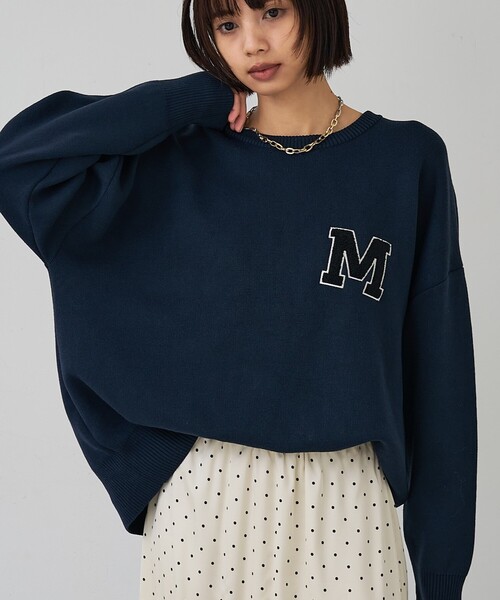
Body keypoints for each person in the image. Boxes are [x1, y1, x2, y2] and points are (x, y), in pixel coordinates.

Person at [0, 0, 477, 599]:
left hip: (349, 501)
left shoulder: (406, 161)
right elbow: (19, 164)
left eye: (272, 12)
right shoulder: (181, 158)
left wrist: (441, 573)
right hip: (204, 501)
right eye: (227, 24)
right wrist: (180, 101)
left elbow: (440, 372)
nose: (251, 42)